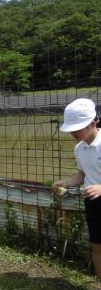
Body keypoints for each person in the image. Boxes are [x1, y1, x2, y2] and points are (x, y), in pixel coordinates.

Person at [53, 98, 101, 279]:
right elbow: (83, 174)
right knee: (97, 246)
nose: (73, 131)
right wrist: (65, 182)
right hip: (93, 203)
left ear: (92, 123)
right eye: (71, 127)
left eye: (77, 127)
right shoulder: (79, 149)